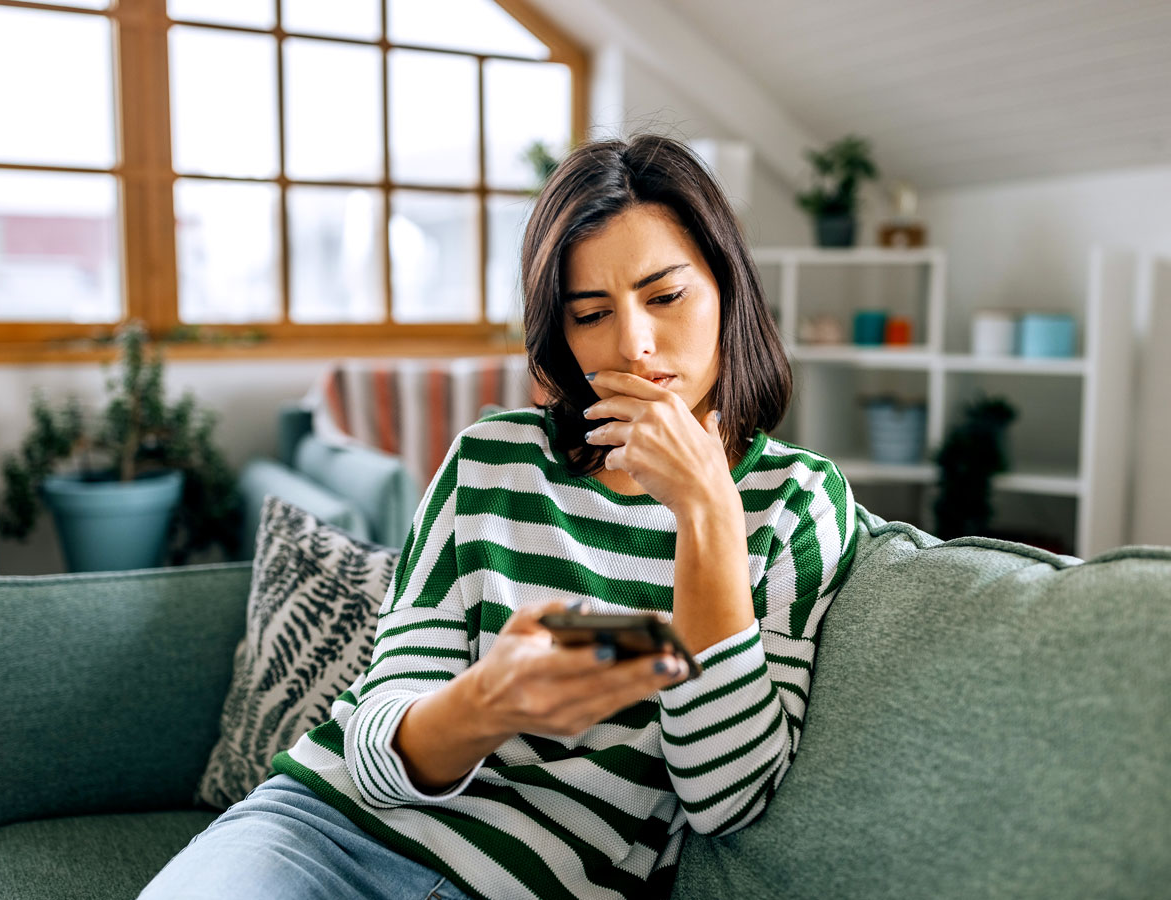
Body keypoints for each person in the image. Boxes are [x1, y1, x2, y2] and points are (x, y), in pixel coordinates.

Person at [140, 134, 856, 900]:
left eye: (666, 296)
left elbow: (727, 800)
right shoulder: (490, 461)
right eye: (591, 314)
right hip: (321, 834)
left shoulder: (794, 503)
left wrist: (708, 509)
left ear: (727, 287)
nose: (634, 345)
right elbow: (375, 750)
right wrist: (489, 700)